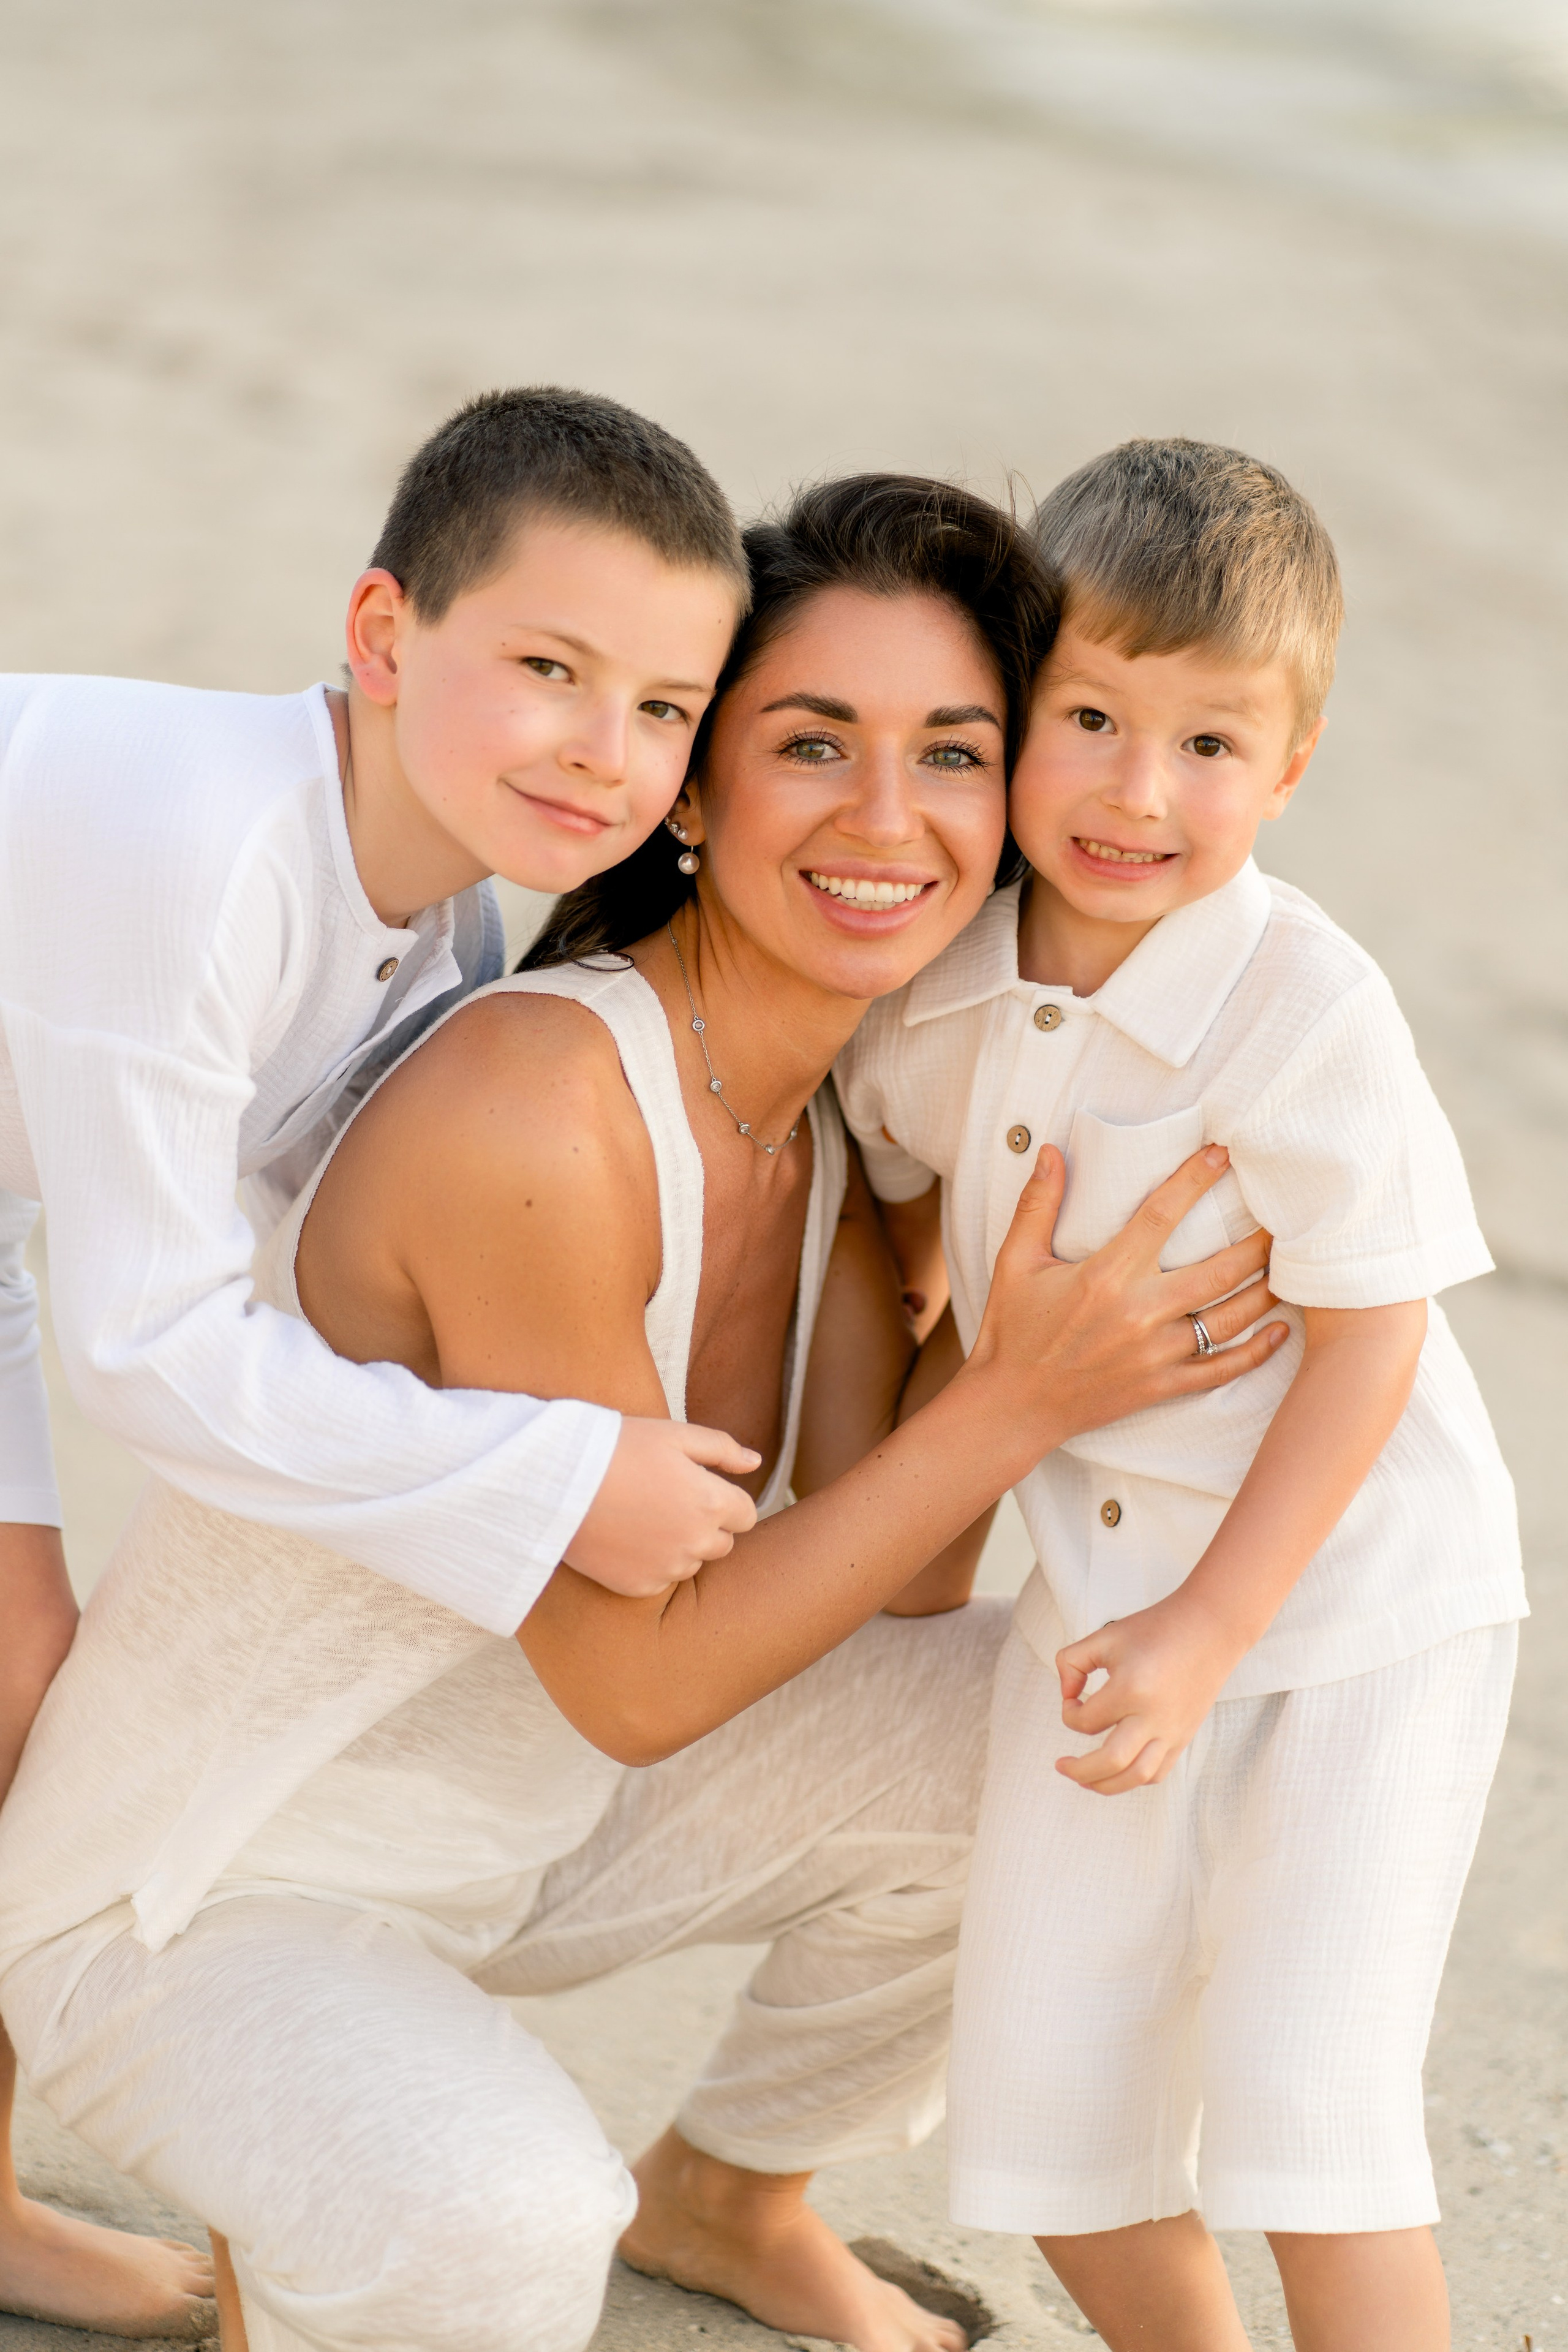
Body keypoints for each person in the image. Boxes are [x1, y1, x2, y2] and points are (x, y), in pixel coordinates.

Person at [0, 474, 1281, 2352]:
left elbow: (899, 1591)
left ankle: (735, 2191)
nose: (884, 817)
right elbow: (643, 1679)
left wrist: (959, 1256)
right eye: (811, 744)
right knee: (505, 2231)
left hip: (518, 1836)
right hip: (201, 1897)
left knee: (1090, 1728)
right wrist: (1020, 1401)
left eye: (952, 753)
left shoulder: (826, 1119)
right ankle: (343, 2209)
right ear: (694, 793)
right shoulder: (541, 1103)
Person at [0, 383, 772, 2334]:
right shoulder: (202, 848)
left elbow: (309, 1238)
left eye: (668, 708)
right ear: (380, 637)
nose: (609, 752)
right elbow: (152, 1350)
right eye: (548, 669)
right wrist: (558, 1479)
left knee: (17, 1681)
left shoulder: (448, 920)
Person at [835, 439, 1525, 2352]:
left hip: (1359, 1608)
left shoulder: (1303, 1005)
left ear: (1291, 768)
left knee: (1315, 2112)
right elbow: (895, 1204)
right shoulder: (935, 982)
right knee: (1057, 2132)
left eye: (1212, 746)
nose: (1143, 793)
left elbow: (1374, 1336)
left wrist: (1221, 1626)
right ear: (1013, 716)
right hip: (1100, 1610)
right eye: (1093, 720)